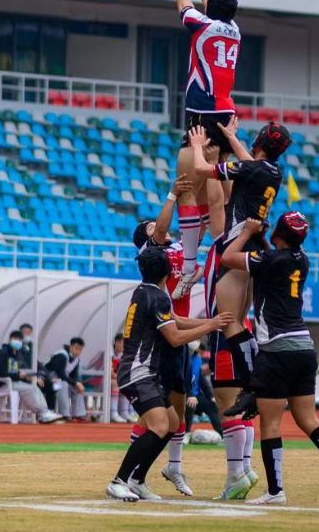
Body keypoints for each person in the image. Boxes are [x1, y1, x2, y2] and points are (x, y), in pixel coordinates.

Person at [221, 214, 319, 508]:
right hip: (304, 347)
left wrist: (247, 231)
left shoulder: (270, 259)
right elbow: (272, 258)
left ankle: (276, 491)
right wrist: (263, 239)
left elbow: (228, 257)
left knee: (271, 423)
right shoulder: (302, 260)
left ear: (279, 235)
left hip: (277, 349)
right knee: (307, 418)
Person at [189, 121, 291, 499]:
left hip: (235, 251)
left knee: (227, 343)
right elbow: (249, 168)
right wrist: (231, 139)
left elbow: (208, 181)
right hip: (250, 254)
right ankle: (242, 471)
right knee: (235, 328)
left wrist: (201, 147)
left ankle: (254, 386)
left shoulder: (223, 237)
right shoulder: (272, 171)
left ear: (259, 143)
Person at [106, 246, 233, 502]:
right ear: (167, 272)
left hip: (141, 372)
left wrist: (212, 323)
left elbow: (176, 320)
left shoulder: (145, 292)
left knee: (173, 424)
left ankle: (138, 480)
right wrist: (209, 325)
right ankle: (119, 481)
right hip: (138, 372)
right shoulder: (158, 297)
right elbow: (175, 338)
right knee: (160, 425)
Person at [127, 173, 224, 497]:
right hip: (164, 336)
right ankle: (132, 473)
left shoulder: (181, 248)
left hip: (180, 327)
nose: (159, 227)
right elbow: (162, 228)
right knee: (159, 414)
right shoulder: (152, 254)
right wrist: (173, 194)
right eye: (152, 227)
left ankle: (173, 468)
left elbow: (207, 233)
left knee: (179, 411)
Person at [156, 0, 242, 299]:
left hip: (203, 114)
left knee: (186, 184)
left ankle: (191, 264)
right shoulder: (234, 30)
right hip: (226, 112)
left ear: (211, 9)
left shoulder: (201, 26)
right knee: (216, 181)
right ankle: (219, 241)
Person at [0, 331, 62, 424]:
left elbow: (13, 372)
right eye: (15, 339)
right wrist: (17, 375)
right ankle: (41, 412)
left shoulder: (14, 355)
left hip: (11, 382)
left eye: (20, 340)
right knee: (29, 389)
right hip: (2, 383)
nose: (18, 342)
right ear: (9, 340)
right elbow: (0, 372)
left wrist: (25, 377)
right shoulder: (3, 353)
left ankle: (45, 411)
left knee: (34, 387)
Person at [46, 337, 86, 422]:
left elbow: (74, 375)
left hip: (63, 380)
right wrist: (75, 383)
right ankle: (64, 414)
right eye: (76, 348)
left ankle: (78, 414)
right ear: (71, 347)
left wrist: (77, 383)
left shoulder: (76, 360)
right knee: (63, 385)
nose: (78, 351)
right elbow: (60, 374)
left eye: (80, 350)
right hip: (50, 379)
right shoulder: (61, 355)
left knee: (77, 388)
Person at [109, 334, 135, 423]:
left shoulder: (121, 356)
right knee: (117, 383)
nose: (126, 346)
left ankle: (125, 412)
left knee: (127, 383)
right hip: (99, 380)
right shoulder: (109, 353)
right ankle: (113, 413)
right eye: (124, 343)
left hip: (112, 380)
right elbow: (110, 372)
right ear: (117, 342)